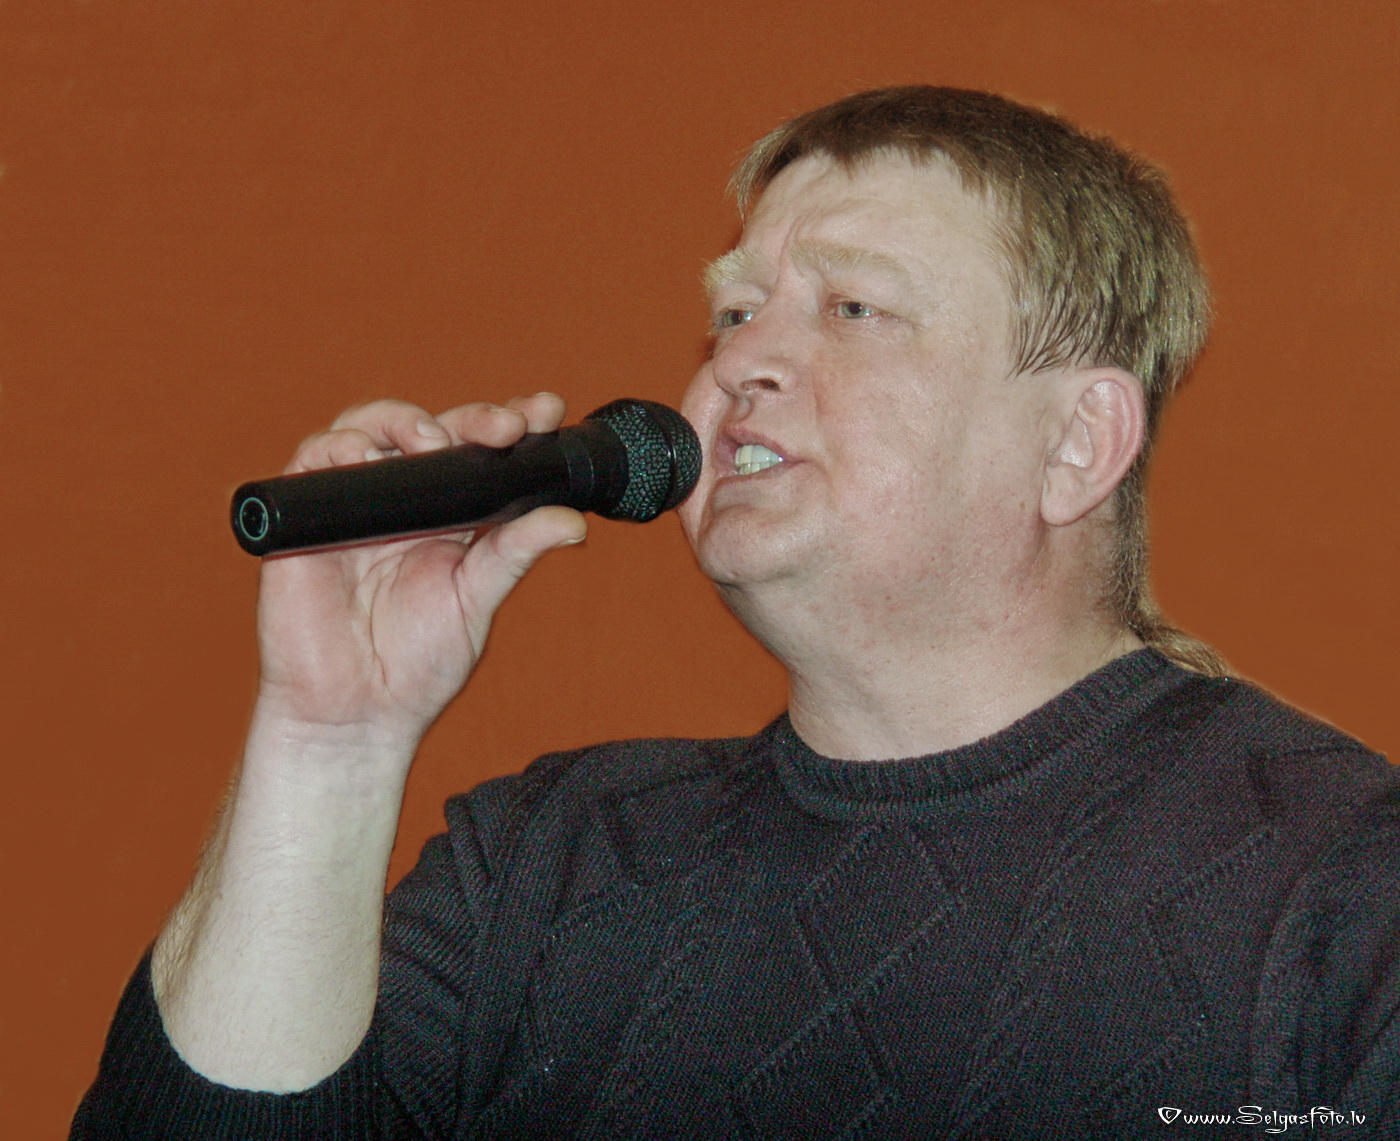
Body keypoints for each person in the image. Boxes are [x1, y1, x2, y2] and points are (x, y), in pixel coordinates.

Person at [73, 87, 1398, 1139]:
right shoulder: (546, 864)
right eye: (734, 308)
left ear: (1076, 443)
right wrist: (329, 741)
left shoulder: (1345, 884)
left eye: (856, 307)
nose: (740, 357)